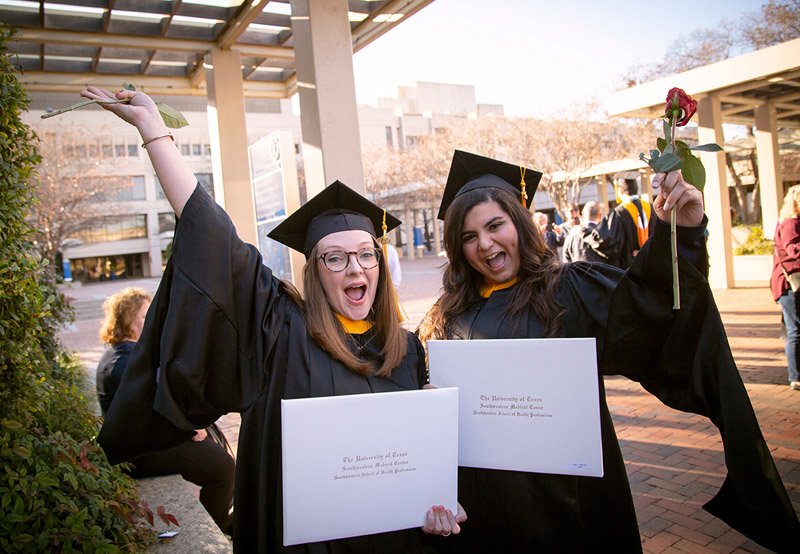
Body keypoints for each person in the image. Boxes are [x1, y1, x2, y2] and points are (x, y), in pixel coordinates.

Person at [81, 86, 464, 553]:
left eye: (367, 255)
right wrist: (154, 133)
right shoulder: (284, 332)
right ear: (315, 272)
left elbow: (416, 466)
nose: (356, 267)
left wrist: (439, 502)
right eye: (336, 258)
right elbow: (218, 243)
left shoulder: (408, 351)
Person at [418, 150, 799, 553]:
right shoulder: (446, 316)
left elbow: (651, 315)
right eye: (469, 237)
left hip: (571, 500)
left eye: (496, 225)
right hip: (484, 504)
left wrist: (679, 234)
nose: (486, 244)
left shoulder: (568, 290)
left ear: (519, 223)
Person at [95, 287, 236, 534]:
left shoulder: (123, 352)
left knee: (216, 449)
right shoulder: (122, 363)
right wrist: (187, 426)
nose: (151, 320)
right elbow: (151, 406)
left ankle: (224, 522)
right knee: (222, 468)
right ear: (128, 319)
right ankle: (216, 530)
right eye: (144, 315)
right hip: (138, 452)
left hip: (142, 439)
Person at [771, 185, 800, 391]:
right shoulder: (790, 223)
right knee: (795, 331)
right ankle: (795, 376)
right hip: (789, 285)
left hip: (790, 285)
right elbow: (793, 250)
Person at [594, 177, 656, 268]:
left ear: (620, 190)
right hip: (652, 263)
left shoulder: (619, 212)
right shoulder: (651, 208)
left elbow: (608, 241)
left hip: (631, 267)